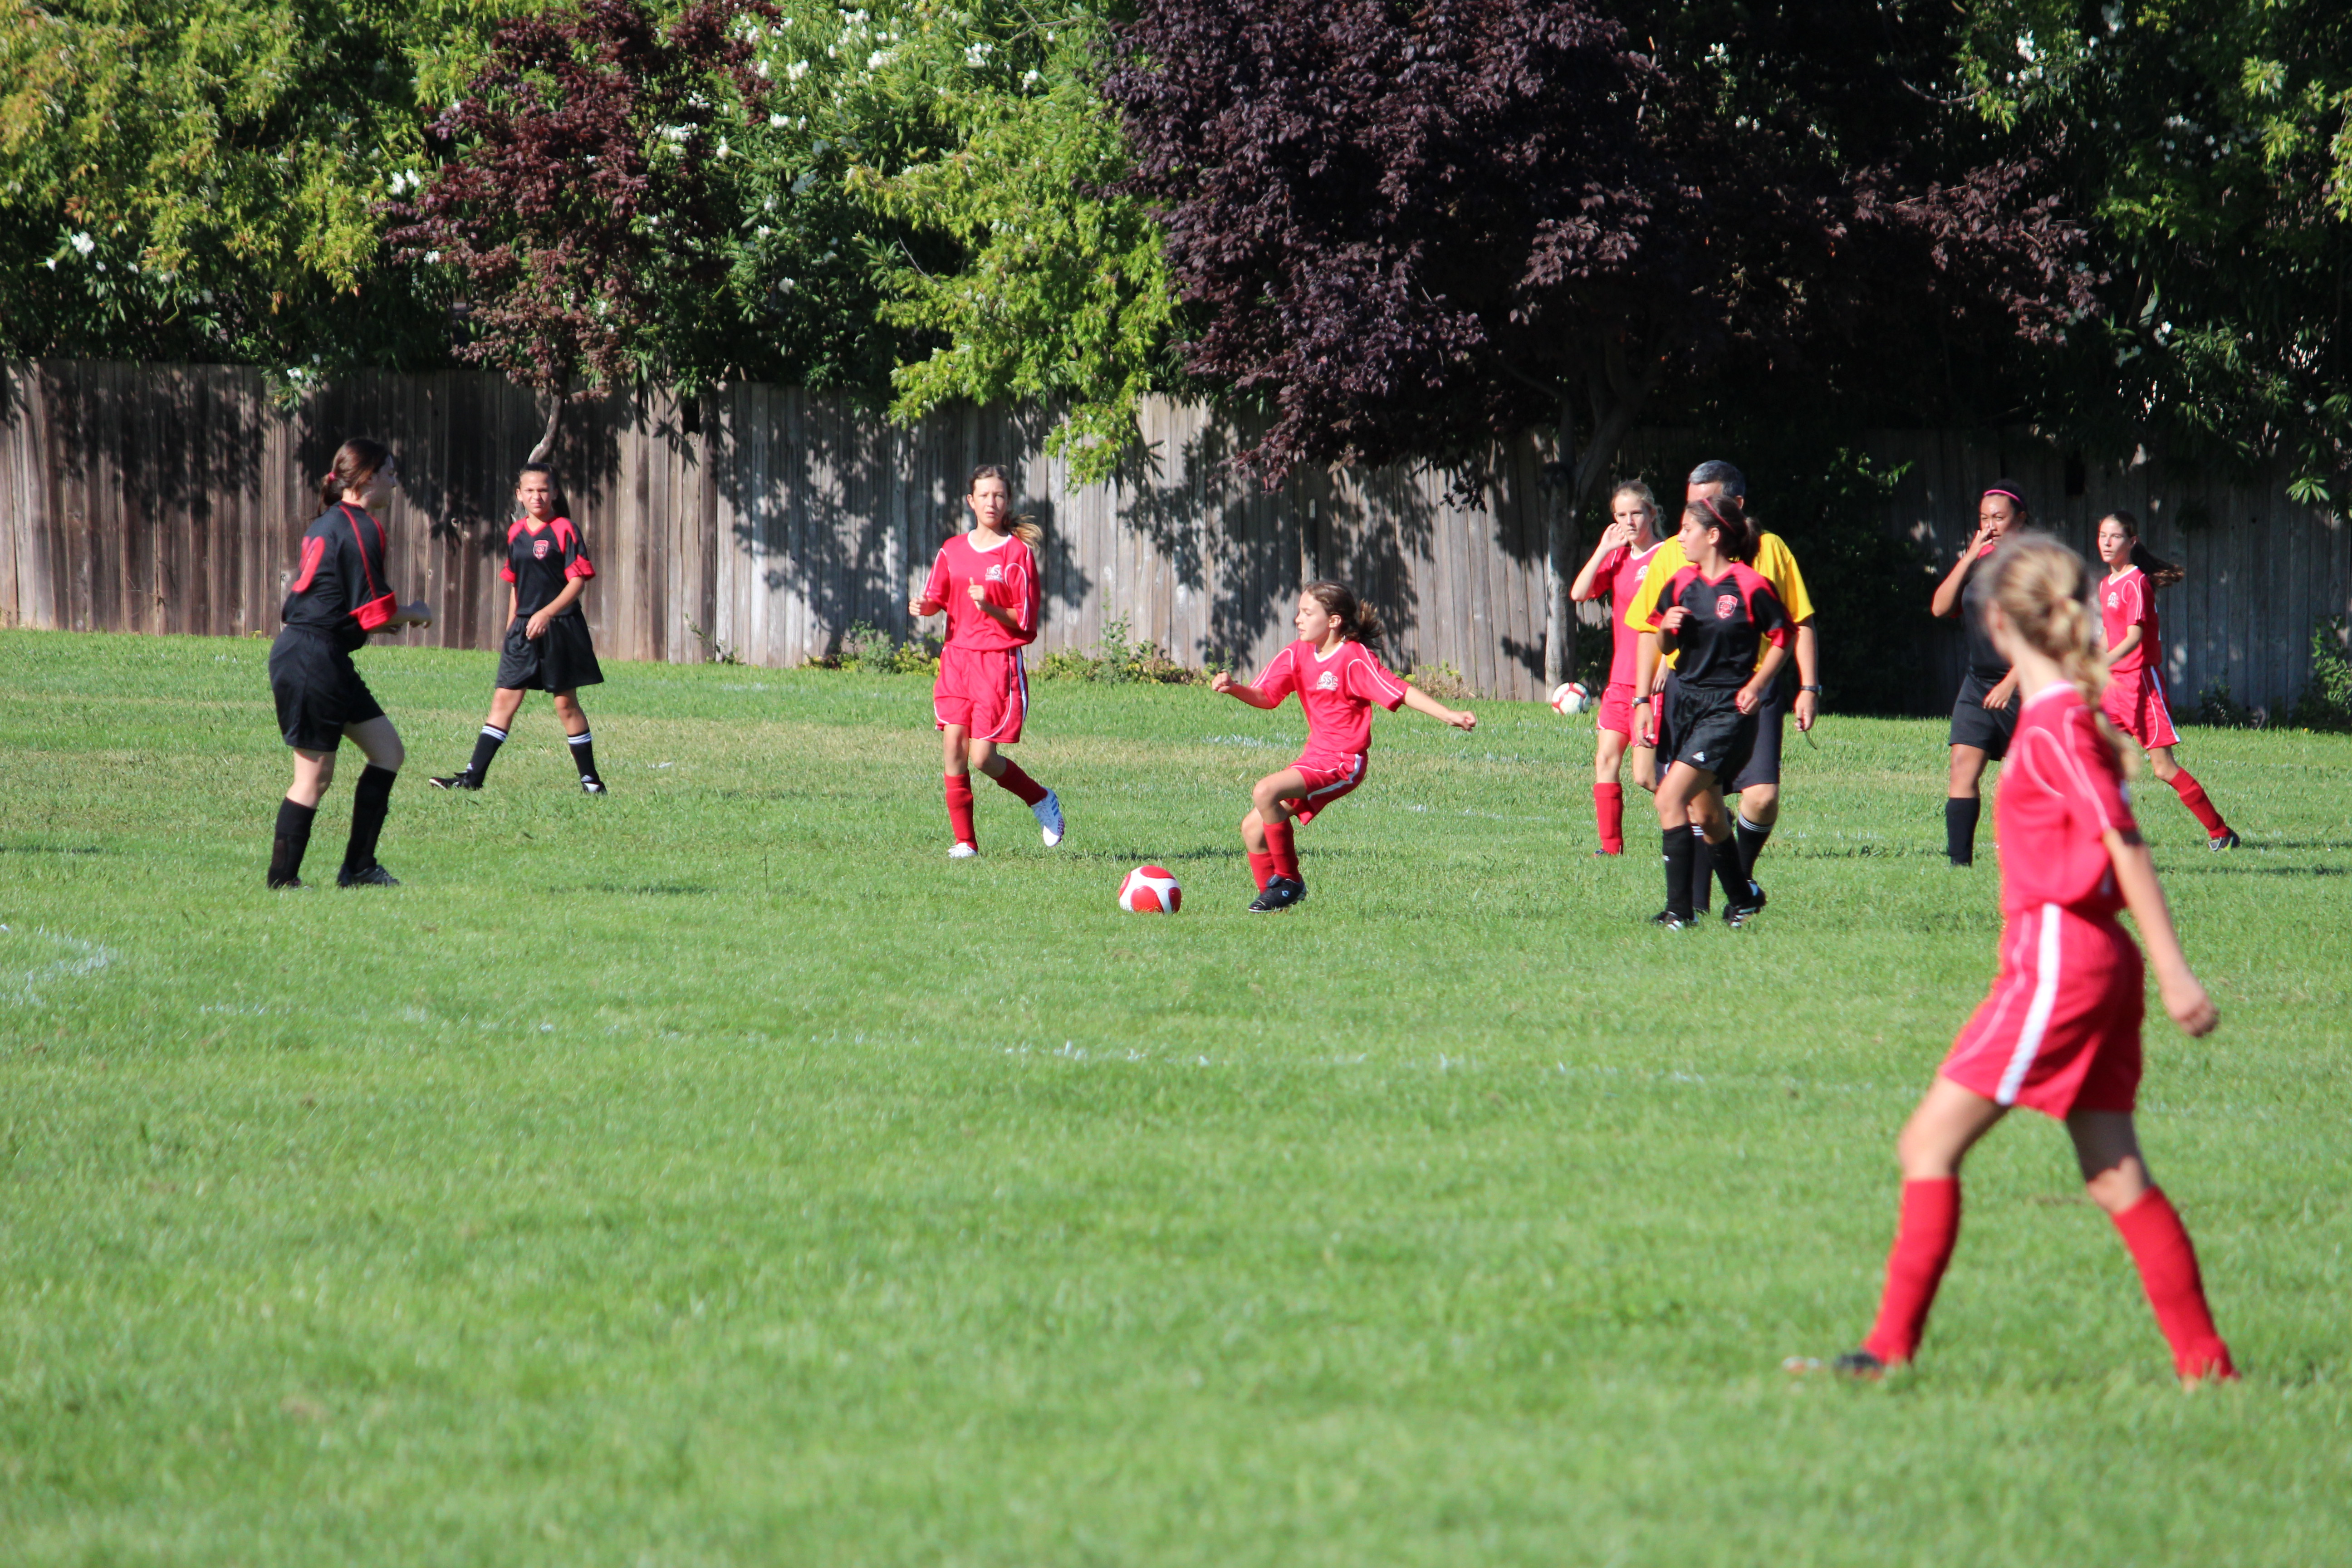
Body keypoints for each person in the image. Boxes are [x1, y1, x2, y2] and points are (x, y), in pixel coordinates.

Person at [1822, 535, 2234, 1385]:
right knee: (2114, 1174)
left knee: (1925, 1144)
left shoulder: (2050, 730)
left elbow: (2123, 841)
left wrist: (2176, 972)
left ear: (2001, 628)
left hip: (2060, 960)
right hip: (2093, 960)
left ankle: (1886, 1355)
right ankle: (2208, 1368)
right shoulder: (2069, 720)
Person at [1210, 580, 1475, 911]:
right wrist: (1234, 688)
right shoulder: (1296, 653)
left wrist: (1449, 714)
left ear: (1334, 621)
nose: (1298, 619)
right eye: (1299, 612)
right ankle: (1275, 906)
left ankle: (1290, 881)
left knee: (1265, 791)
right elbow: (1266, 697)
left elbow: (1399, 689)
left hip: (1344, 763)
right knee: (1252, 829)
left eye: (1308, 613)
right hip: (1314, 758)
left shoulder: (1353, 658)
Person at [1627, 461, 1818, 912]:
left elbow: (1790, 630)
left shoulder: (1757, 573)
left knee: (1683, 796)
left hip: (1735, 702)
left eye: (1689, 524)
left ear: (1716, 530)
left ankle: (1681, 913)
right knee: (1707, 811)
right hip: (1685, 700)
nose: (1680, 535)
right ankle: (1741, 898)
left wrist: (1792, 686)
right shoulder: (1678, 575)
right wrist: (1649, 680)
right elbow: (1655, 634)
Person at [265, 439, 433, 889]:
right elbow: (376, 612)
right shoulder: (361, 526)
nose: (395, 483)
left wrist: (371, 622)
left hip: (324, 655)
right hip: (312, 658)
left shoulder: (330, 522)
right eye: (390, 474)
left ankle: (359, 868)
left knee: (388, 752)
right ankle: (282, 881)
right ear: (368, 477)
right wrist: (415, 612)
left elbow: (344, 603)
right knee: (312, 778)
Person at [908, 464, 1064, 858]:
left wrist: (990, 605)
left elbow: (1025, 621)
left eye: (999, 495)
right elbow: (937, 598)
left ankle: (1040, 798)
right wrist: (925, 607)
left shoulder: (1017, 554)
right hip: (956, 659)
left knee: (982, 758)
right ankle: (966, 842)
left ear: (1007, 501)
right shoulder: (952, 550)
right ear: (971, 501)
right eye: (984, 495)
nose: (991, 502)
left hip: (996, 663)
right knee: (953, 746)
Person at [430, 462, 607, 794]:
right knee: (503, 701)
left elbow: (578, 581)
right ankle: (472, 779)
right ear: (519, 495)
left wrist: (547, 613)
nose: (537, 496)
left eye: (543, 490)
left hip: (560, 627)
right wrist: (512, 628)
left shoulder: (565, 529)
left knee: (565, 705)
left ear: (555, 493)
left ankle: (592, 782)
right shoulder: (515, 532)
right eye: (530, 490)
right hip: (524, 630)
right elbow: (516, 584)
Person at [2095, 511, 2240, 850]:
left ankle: (2220, 832)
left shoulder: (2136, 582)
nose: (2106, 542)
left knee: (2163, 768)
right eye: (2102, 535)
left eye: (2115, 536)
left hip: (2140, 685)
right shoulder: (2106, 584)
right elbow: (2109, 633)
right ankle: (2098, 836)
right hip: (2114, 688)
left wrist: (2103, 662)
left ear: (2132, 542)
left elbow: (2133, 638)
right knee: (2096, 759)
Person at [1568, 480, 1668, 854]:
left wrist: (1668, 664)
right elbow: (1578, 593)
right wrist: (1603, 549)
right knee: (1605, 760)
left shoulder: (1668, 556)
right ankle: (1610, 849)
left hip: (1652, 682)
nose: (1629, 521)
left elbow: (1683, 615)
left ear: (1652, 514)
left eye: (1636, 513)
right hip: (1620, 680)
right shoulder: (1617, 556)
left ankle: (1708, 813)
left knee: (1645, 776)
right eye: (1621, 515)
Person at [1932, 487, 2027, 865]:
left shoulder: (2033, 564)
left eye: (1999, 518)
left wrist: (2011, 682)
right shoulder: (1979, 560)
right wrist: (1971, 555)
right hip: (1979, 684)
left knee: (2033, 782)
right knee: (1962, 768)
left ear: (2020, 519)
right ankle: (1959, 867)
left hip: (2026, 685)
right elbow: (1940, 608)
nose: (1991, 527)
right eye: (1985, 519)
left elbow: (2047, 637)